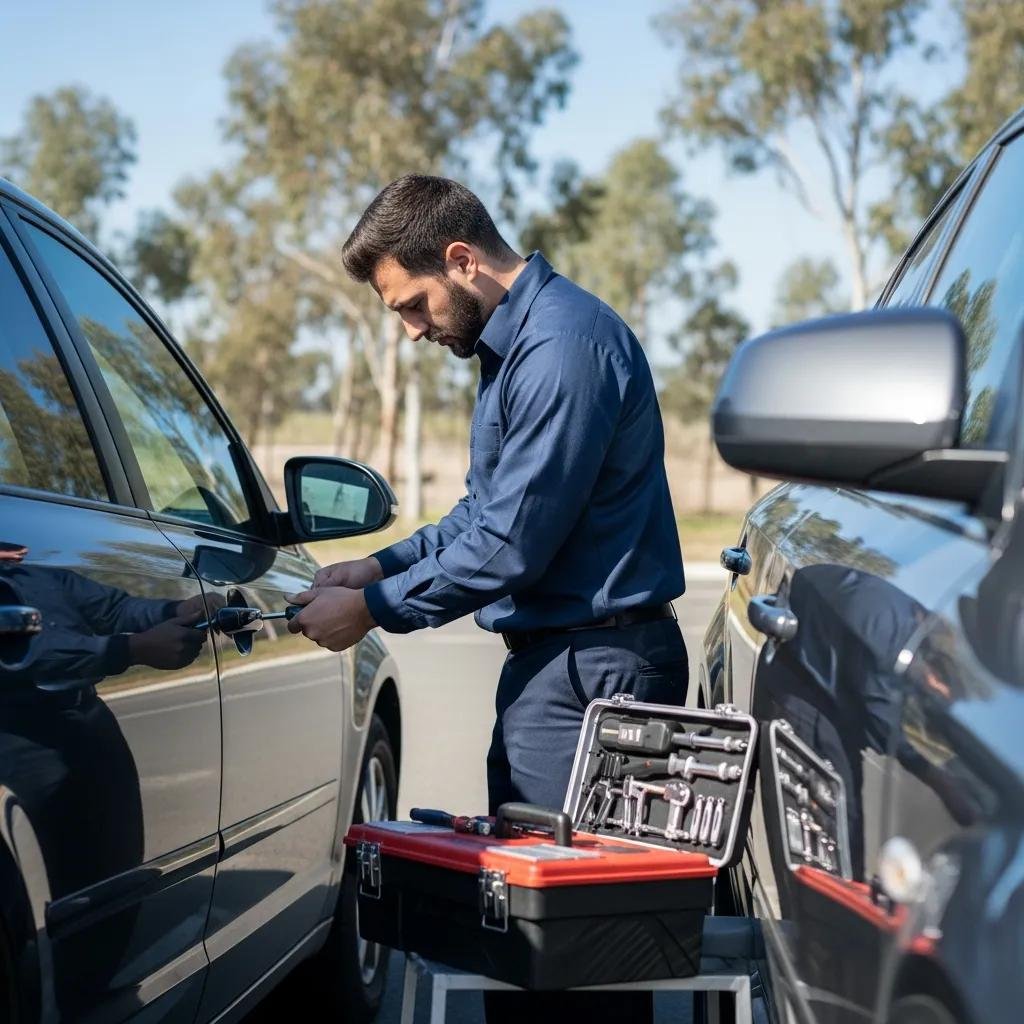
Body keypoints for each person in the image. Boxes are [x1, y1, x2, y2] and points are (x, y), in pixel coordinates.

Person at [287, 174, 688, 810]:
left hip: (596, 675)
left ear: (461, 260)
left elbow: (509, 544)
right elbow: (485, 511)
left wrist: (371, 609)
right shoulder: (516, 348)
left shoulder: (560, 347)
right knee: (526, 891)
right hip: (559, 667)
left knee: (574, 902)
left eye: (414, 305)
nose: (414, 331)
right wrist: (372, 568)